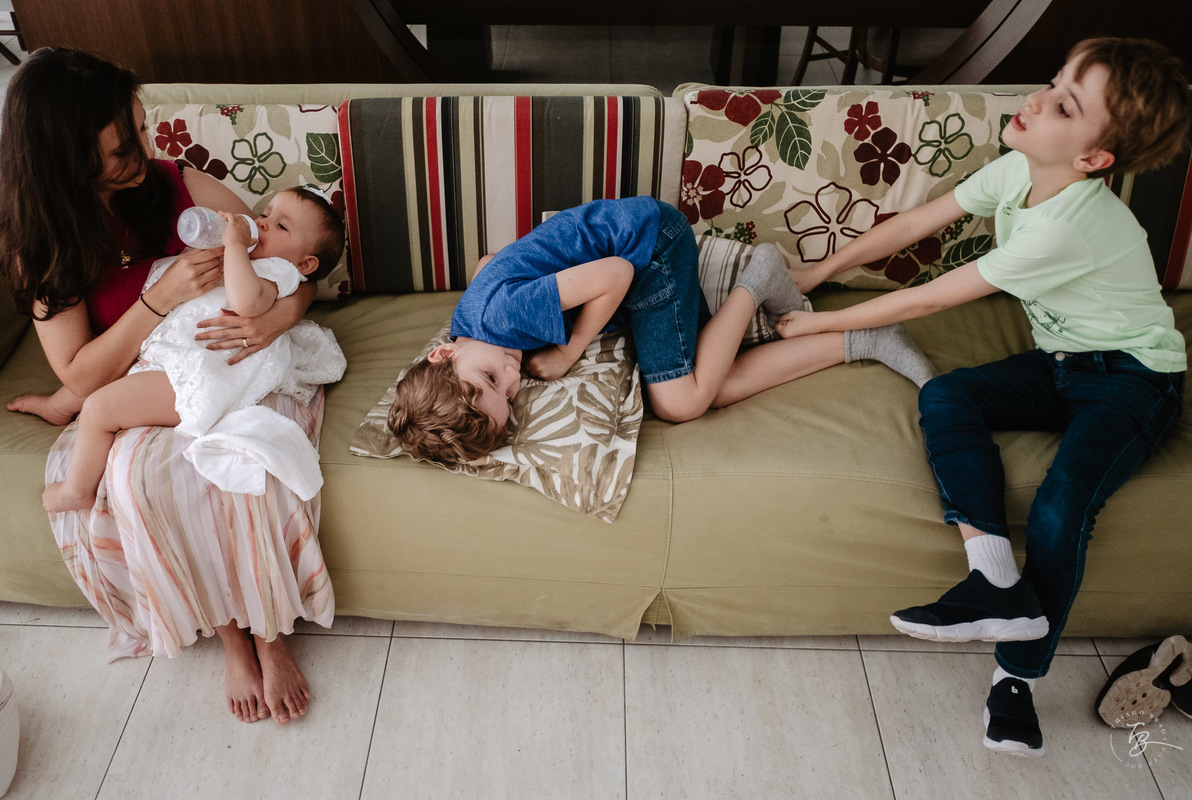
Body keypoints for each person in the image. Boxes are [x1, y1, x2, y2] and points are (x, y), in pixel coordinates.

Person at [776, 37, 1191, 756]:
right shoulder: (1021, 171)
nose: (1035, 99)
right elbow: (910, 226)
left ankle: (1015, 679)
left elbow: (932, 300)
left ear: (1094, 160)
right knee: (947, 397)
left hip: (1134, 380)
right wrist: (819, 273)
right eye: (1053, 81)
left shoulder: (1068, 225)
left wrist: (821, 322)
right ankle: (995, 581)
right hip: (1060, 363)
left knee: (1064, 505)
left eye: (1064, 103)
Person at [0, 48, 335, 726]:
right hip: (147, 383)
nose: (145, 152)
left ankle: (270, 633)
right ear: (68, 158)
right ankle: (230, 636)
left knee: (249, 468)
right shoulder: (44, 244)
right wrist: (161, 300)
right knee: (135, 482)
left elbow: (282, 270)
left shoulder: (175, 184)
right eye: (125, 147)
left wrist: (274, 322)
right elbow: (81, 374)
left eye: (142, 130)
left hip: (231, 368)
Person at [387, 195, 936, 465]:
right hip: (631, 235)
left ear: (440, 354)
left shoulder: (505, 320)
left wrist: (572, 348)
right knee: (710, 378)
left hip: (649, 250)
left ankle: (758, 280)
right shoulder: (470, 325)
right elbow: (488, 263)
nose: (511, 372)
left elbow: (617, 273)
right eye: (508, 393)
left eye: (489, 375)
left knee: (681, 400)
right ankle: (862, 340)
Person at [42, 187, 346, 513]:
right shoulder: (250, 256)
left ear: (305, 263)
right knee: (102, 377)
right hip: (174, 350)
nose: (264, 223)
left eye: (282, 226)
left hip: (200, 375)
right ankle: (56, 406)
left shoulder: (279, 272)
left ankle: (77, 490)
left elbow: (246, 301)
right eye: (266, 213)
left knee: (99, 408)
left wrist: (234, 246)